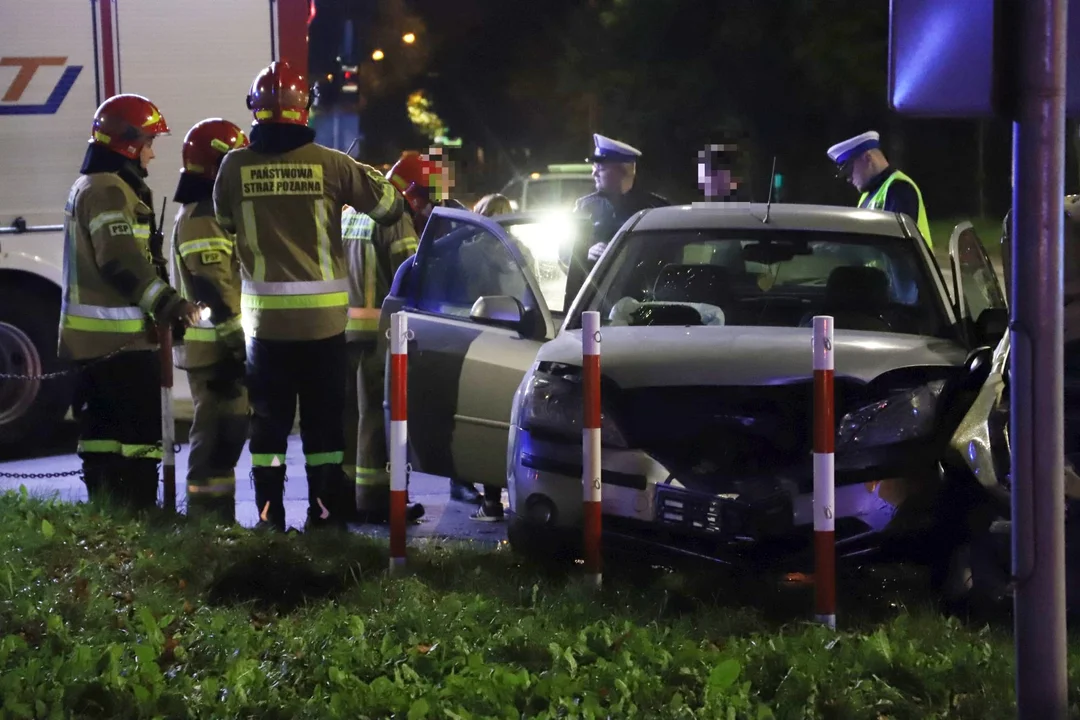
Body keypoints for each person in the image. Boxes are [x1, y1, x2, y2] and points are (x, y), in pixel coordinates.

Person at [213, 60, 404, 533]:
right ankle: (324, 519)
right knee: (323, 430)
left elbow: (226, 224)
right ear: (305, 110)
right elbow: (389, 207)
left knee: (269, 431)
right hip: (323, 327)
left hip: (265, 328)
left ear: (255, 110)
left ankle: (268, 518)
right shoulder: (333, 164)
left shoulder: (233, 166)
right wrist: (356, 171)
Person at [61, 94, 202, 509]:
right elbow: (120, 260)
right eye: (148, 143)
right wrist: (171, 304)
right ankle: (140, 515)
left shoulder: (91, 184)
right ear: (127, 143)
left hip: (94, 345)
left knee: (103, 436)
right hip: (122, 344)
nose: (152, 154)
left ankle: (111, 518)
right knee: (139, 437)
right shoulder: (108, 190)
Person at [385, 151, 483, 505]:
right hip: (401, 328)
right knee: (397, 412)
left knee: (449, 405)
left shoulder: (449, 218)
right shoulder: (394, 219)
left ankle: (459, 478)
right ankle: (395, 488)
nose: (419, 206)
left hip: (444, 324)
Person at [170, 118, 251, 524]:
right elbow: (216, 290)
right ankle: (208, 523)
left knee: (227, 437)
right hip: (215, 350)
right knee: (217, 437)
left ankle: (220, 523)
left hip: (218, 347)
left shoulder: (209, 211)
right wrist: (242, 348)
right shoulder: (203, 217)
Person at [342, 161, 427, 525]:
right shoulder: (395, 219)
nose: (423, 209)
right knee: (377, 419)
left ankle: (344, 494)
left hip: (340, 331)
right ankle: (376, 501)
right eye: (423, 199)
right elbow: (409, 276)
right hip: (380, 334)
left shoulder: (350, 215)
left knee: (348, 418)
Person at [567, 134, 669, 300]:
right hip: (594, 301)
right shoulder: (584, 206)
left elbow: (669, 256)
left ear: (623, 170)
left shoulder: (656, 208)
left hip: (643, 300)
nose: (594, 173)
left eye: (600, 168)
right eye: (594, 167)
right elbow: (564, 252)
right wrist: (587, 251)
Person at [826, 130, 932, 249]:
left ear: (867, 158)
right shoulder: (867, 196)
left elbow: (895, 245)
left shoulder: (898, 189)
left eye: (849, 170)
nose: (849, 179)